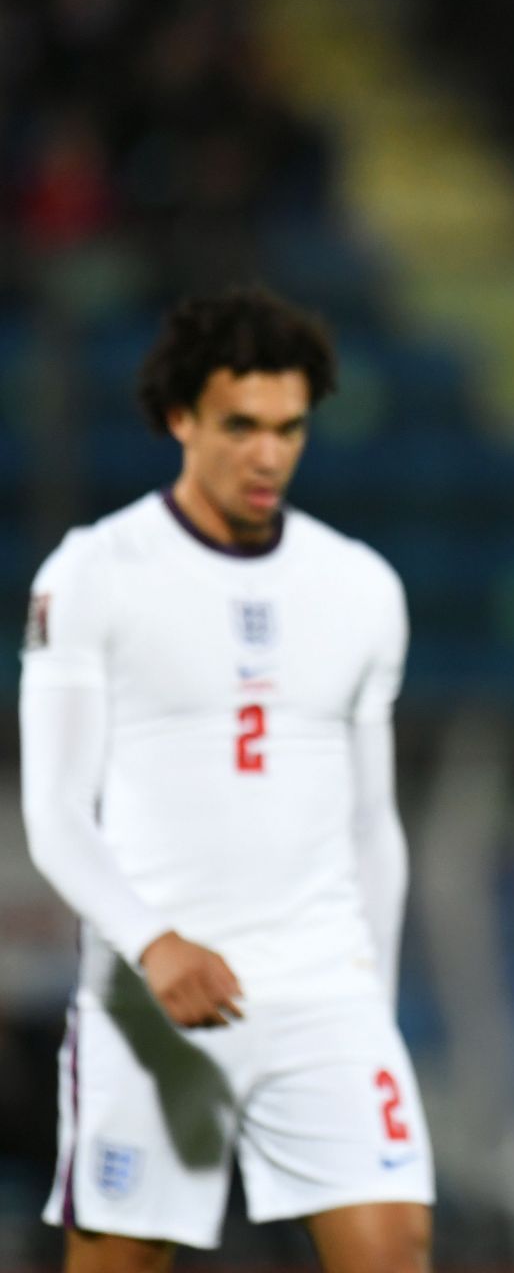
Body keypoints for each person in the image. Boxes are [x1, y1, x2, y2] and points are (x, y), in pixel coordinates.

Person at [19, 287, 433, 1272]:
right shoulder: (93, 572)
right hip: (152, 994)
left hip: (323, 989)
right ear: (181, 418)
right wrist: (154, 944)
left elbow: (373, 819)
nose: (268, 454)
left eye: (289, 428)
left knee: (397, 1244)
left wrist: (368, 983)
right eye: (241, 426)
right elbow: (55, 813)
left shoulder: (361, 586)